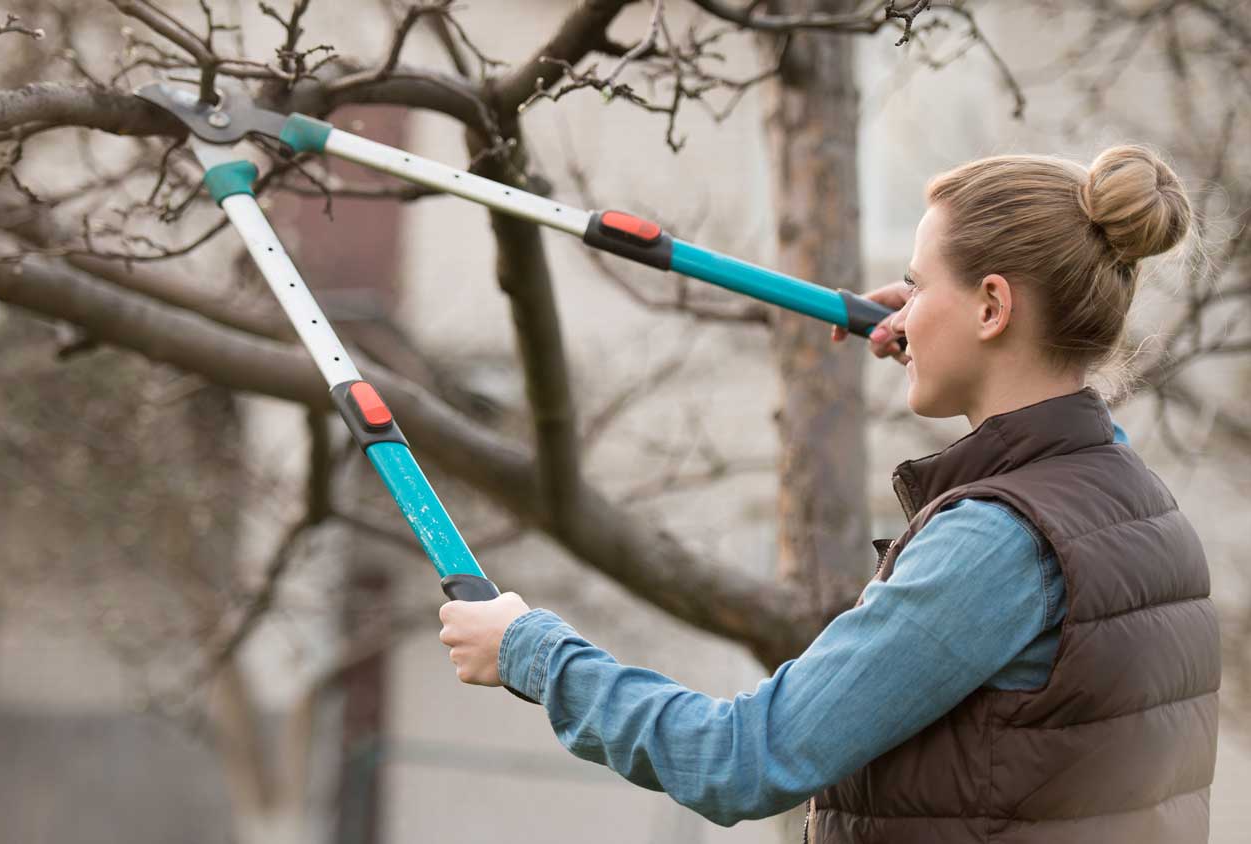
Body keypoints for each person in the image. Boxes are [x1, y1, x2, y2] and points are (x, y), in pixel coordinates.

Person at [437, 145, 1220, 843]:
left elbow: (740, 760)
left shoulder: (996, 542)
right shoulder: (1136, 504)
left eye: (916, 287)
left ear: (991, 306)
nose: (901, 309)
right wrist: (942, 336)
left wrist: (528, 652)